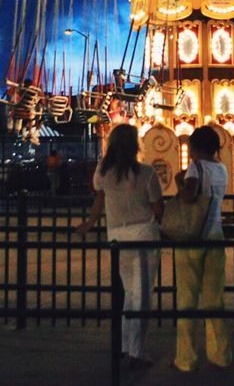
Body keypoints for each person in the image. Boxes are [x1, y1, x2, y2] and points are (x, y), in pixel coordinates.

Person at [75, 124, 162, 369]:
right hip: (143, 233)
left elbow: (99, 198)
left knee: (129, 294)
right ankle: (136, 350)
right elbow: (158, 208)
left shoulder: (103, 172)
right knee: (141, 295)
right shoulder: (146, 173)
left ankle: (126, 345)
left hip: (117, 235)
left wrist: (90, 223)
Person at [172, 126, 232, 372]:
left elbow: (188, 196)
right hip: (215, 235)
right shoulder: (223, 169)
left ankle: (185, 358)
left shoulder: (196, 168)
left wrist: (179, 179)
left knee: (187, 299)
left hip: (192, 238)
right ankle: (220, 354)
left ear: (194, 148)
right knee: (214, 300)